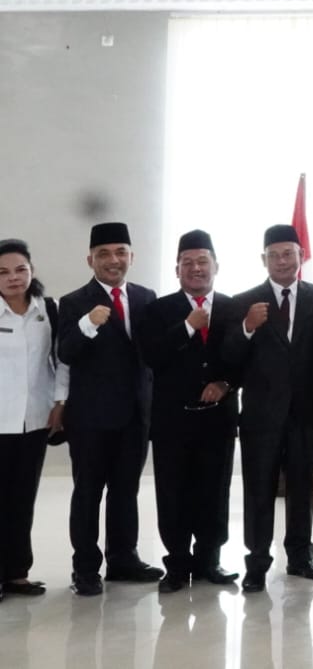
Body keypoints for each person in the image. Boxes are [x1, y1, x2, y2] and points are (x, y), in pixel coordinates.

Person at [55, 221, 165, 596]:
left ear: (132, 256)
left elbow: (153, 353)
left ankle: (123, 559)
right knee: (88, 492)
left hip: (136, 416)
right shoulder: (73, 302)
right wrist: (88, 324)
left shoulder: (146, 297)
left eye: (120, 252)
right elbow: (65, 352)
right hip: (90, 418)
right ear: (90, 260)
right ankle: (85, 568)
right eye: (103, 254)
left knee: (125, 491)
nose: (113, 260)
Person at [222, 224, 313, 592]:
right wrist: (247, 327)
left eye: (289, 254)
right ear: (263, 259)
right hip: (260, 415)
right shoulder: (243, 301)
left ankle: (301, 556)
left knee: (302, 486)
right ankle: (256, 562)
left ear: (301, 256)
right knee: (259, 488)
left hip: (305, 412)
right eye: (274, 255)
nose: (282, 261)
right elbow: (229, 358)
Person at [137, 229, 240, 593]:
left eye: (203, 262)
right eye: (188, 262)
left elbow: (245, 359)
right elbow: (152, 356)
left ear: (216, 266)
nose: (196, 268)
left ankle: (210, 561)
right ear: (177, 269)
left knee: (215, 491)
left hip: (218, 420)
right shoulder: (158, 309)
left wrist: (227, 384)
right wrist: (187, 326)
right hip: (172, 421)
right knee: (173, 492)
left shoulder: (232, 307)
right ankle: (178, 565)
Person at [0, 239, 67, 601]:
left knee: (22, 498)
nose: (13, 277)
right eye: (3, 272)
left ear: (32, 270)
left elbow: (60, 360)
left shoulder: (47, 309)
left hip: (35, 420)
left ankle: (16, 572)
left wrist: (60, 401)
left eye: (20, 269)